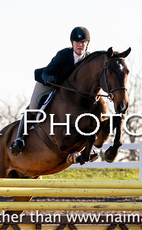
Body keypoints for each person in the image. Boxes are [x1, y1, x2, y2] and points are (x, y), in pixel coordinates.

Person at [10, 26, 91, 156]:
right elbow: (47, 71)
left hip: (69, 92)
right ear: (72, 43)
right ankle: (19, 140)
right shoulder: (63, 54)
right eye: (77, 42)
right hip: (50, 83)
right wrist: (49, 79)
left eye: (83, 42)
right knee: (34, 107)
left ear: (87, 44)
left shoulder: (88, 60)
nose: (80, 45)